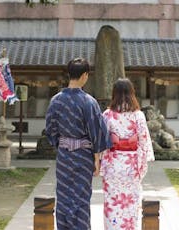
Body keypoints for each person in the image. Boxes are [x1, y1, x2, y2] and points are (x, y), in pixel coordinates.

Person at [45, 57, 112, 230]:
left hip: (64, 157)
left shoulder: (56, 101)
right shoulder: (88, 102)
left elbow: (51, 130)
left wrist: (62, 144)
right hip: (83, 158)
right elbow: (96, 132)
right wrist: (97, 160)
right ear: (85, 75)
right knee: (81, 199)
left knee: (64, 196)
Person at [100, 78, 155, 230]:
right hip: (131, 166)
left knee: (112, 203)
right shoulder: (138, 115)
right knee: (130, 205)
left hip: (113, 165)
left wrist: (101, 164)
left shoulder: (107, 115)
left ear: (114, 94)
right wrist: (141, 168)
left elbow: (102, 143)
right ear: (132, 93)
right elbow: (144, 144)